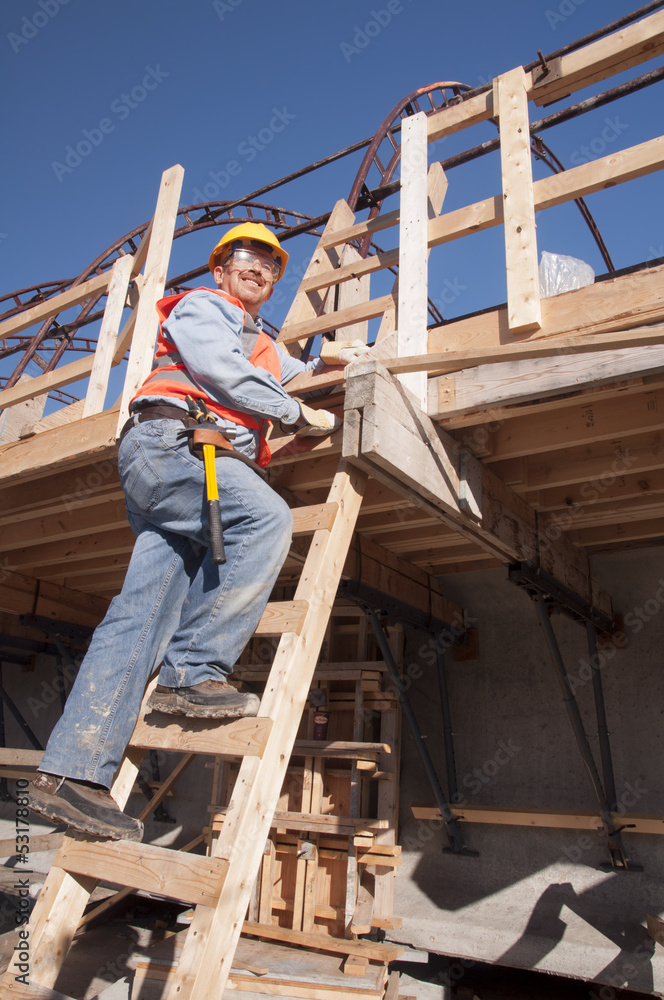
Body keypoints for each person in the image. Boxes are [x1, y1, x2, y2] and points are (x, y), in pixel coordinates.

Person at [29, 223, 370, 841]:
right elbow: (222, 371)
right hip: (173, 445)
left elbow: (281, 373)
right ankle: (192, 674)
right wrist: (297, 415)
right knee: (266, 520)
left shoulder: (260, 344)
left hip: (193, 466)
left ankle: (70, 778)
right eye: (247, 258)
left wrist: (327, 363)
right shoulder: (205, 307)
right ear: (220, 268)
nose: (259, 270)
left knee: (140, 617)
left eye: (271, 265)